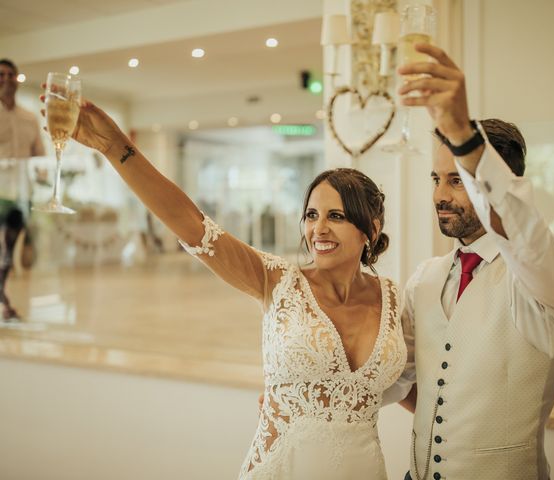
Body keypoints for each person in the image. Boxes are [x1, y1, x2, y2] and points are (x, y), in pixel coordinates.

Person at [44, 96, 407, 480]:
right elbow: (193, 226)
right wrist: (114, 147)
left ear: (372, 229)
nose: (319, 229)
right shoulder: (277, 280)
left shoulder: (394, 297)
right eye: (311, 215)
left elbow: (412, 383)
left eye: (336, 216)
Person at [383, 43, 554, 480]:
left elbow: (524, 234)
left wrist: (463, 135)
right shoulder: (426, 278)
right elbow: (399, 379)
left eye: (458, 180)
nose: (440, 195)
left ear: (498, 184)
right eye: (436, 179)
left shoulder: (548, 274)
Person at [0, 59, 45, 320]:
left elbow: (39, 156)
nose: (6, 79)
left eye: (10, 75)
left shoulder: (29, 117)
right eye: (1, 74)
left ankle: (3, 300)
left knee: (7, 251)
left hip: (21, 195)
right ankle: (5, 303)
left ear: (17, 79)